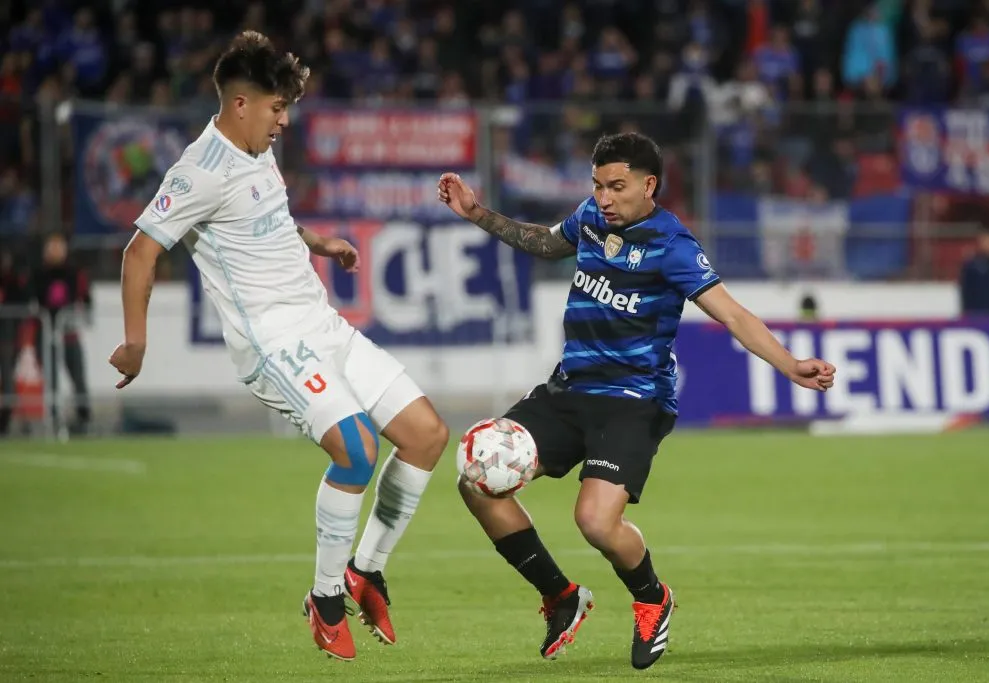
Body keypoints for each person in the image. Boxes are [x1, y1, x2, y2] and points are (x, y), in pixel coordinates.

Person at [437, 132, 837, 670]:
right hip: (570, 388)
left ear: (649, 186)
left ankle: (652, 598)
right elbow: (544, 242)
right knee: (477, 481)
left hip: (632, 400)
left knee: (596, 523)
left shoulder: (673, 246)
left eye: (617, 186)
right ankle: (561, 596)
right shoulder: (590, 219)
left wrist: (790, 364)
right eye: (598, 185)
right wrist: (476, 212)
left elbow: (734, 315)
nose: (605, 197)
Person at [109, 31, 449, 662]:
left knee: (427, 435)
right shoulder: (198, 171)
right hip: (272, 341)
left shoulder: (255, 151)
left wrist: (317, 242)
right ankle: (324, 603)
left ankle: (364, 572)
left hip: (321, 323)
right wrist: (135, 341)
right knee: (357, 450)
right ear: (241, 104)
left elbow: (264, 217)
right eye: (275, 108)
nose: (284, 120)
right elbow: (141, 251)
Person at [31, 233, 92, 435]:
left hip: (69, 334)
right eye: (52, 248)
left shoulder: (74, 273)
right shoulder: (38, 274)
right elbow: (30, 300)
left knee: (78, 378)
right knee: (52, 380)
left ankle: (84, 418)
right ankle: (55, 418)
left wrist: (83, 316)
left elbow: (86, 297)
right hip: (46, 334)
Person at [0, 246, 31, 436]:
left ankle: (5, 419)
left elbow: (24, 300)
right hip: (8, 339)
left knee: (8, 379)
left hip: (7, 338)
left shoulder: (14, 282)